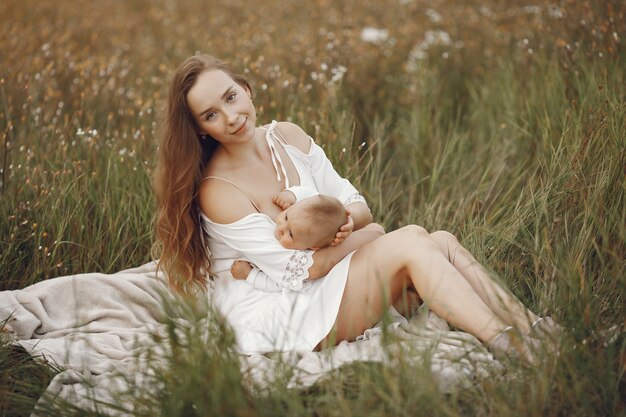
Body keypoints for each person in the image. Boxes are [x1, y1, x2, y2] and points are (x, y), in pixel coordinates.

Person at [153, 54, 560, 361]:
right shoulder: (218, 190)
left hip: (325, 279)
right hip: (277, 309)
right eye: (211, 114)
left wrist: (352, 226)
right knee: (411, 242)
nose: (231, 116)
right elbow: (302, 269)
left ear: (246, 88)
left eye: (231, 96)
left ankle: (531, 329)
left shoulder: (287, 136)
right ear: (201, 129)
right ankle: (514, 349)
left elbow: (355, 204)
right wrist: (369, 234)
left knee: (441, 240)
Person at [230, 186, 353, 292]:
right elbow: (310, 195)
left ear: (313, 247)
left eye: (291, 234)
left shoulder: (299, 260)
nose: (281, 227)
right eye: (286, 217)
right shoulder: (301, 218)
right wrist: (292, 194)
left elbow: (277, 284)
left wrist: (249, 275)